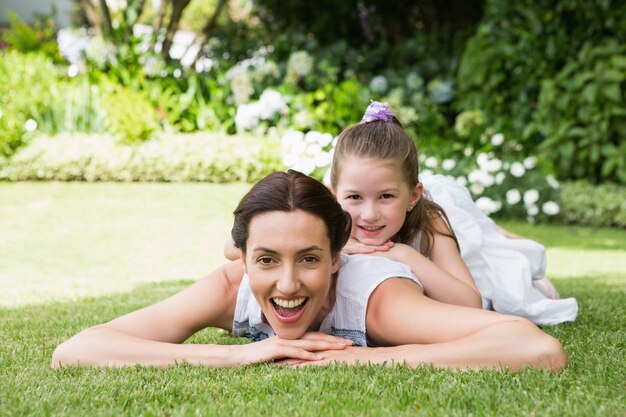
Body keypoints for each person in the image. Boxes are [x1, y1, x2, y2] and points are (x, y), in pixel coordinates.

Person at [51, 170, 567, 371]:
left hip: (447, 263)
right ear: (245, 257)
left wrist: (353, 363)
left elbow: (535, 346)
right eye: (267, 260)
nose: (288, 284)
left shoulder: (379, 301)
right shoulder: (233, 287)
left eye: (310, 259)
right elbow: (76, 351)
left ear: (338, 257)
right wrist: (252, 352)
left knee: (520, 281)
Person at [329, 101, 578, 325]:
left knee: (500, 250)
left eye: (386, 197)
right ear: (334, 195)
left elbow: (470, 303)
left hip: (458, 235)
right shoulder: (324, 220)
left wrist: (403, 253)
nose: (370, 214)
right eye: (354, 197)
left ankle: (515, 245)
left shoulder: (430, 223)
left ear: (412, 196)